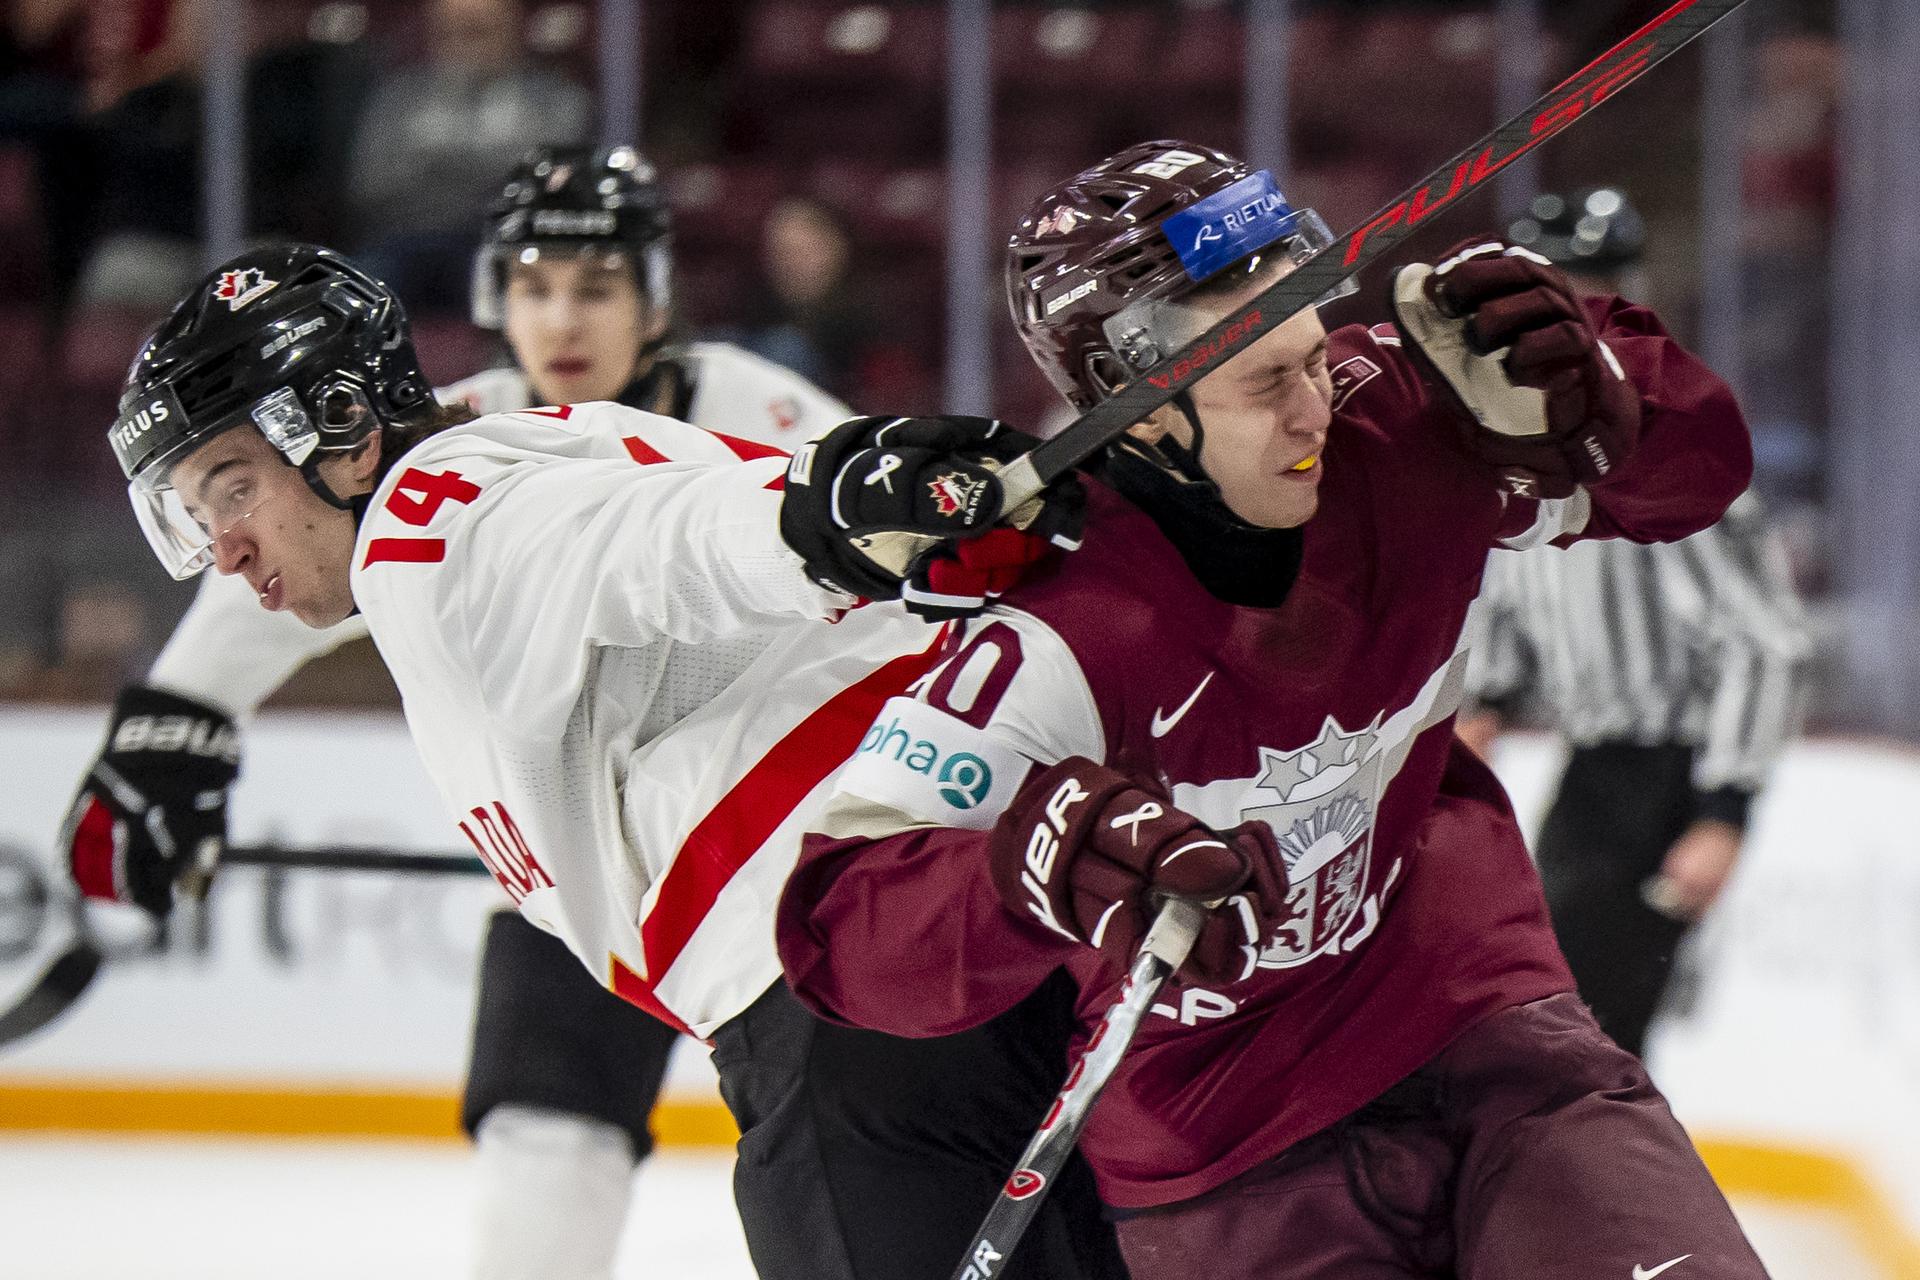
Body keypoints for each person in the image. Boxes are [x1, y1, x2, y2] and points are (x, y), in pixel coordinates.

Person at [776, 141, 1772, 1278]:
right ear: (1133, 403)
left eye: (1312, 355)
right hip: (1227, 1153)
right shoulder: (1058, 626)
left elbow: (1699, 476)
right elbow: (842, 924)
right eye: (1264, 383)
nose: (1315, 408)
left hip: (1485, 1036)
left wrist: (1602, 400)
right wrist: (1031, 867)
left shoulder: (1400, 419)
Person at [92, 229, 1114, 1280]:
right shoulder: (506, 458)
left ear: (344, 428)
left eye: (230, 488)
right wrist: (179, 723)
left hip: (845, 1007)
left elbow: (654, 543)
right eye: (191, 513)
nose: (219, 547)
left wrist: (818, 515)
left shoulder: (422, 525)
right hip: (951, 942)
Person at [1458, 186, 1813, 1059]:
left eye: (1589, 292)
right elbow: (1511, 585)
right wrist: (1490, 697)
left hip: (1663, 777)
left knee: (1588, 1034)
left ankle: (1594, 1193)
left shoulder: (1670, 460)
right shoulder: (1527, 448)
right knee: (1556, 1016)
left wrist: (1724, 809)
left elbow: (1768, 645)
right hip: (1594, 768)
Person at [346, 0, 592, 310]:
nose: (463, 47)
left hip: (502, 243)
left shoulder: (556, 99)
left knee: (530, 285)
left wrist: (434, 163)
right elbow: (369, 184)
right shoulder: (399, 96)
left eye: (478, 33)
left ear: (514, 30)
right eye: (449, 34)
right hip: (406, 242)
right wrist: (491, 169)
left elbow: (550, 187)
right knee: (356, 295)